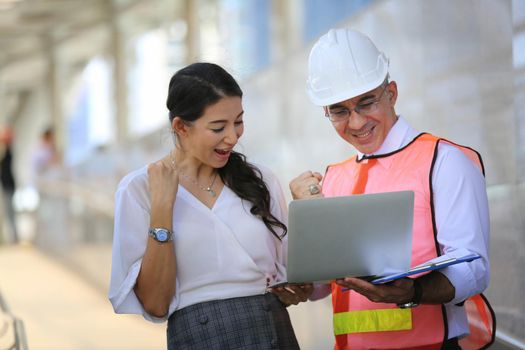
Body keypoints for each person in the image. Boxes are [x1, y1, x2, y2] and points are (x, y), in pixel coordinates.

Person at [290, 28, 495, 349]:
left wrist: (414, 292)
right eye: (340, 110)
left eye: (366, 102)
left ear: (392, 93)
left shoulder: (443, 160)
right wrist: (305, 231)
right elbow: (322, 287)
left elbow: (475, 269)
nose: (356, 123)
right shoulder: (332, 177)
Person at [109, 62, 311, 349]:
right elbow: (155, 304)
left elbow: (294, 275)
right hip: (197, 338)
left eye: (238, 121)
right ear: (180, 127)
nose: (233, 137)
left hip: (272, 331)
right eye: (218, 127)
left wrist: (297, 284)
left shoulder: (260, 179)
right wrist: (162, 209)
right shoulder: (139, 189)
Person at [0, 126, 18, 244]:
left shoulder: (7, 151)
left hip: (8, 185)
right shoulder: (6, 151)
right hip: (6, 185)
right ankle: (12, 237)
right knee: (8, 212)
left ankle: (14, 238)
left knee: (9, 212)